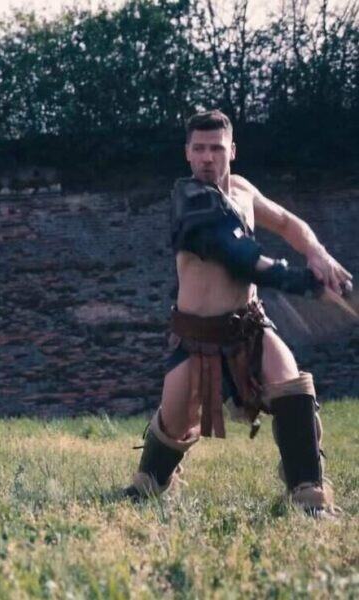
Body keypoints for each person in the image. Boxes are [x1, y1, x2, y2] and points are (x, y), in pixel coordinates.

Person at [126, 110, 353, 515]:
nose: (207, 158)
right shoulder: (189, 201)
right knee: (174, 427)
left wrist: (317, 253)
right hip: (197, 336)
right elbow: (240, 257)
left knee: (293, 389)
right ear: (187, 153)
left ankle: (309, 496)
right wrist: (304, 282)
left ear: (232, 150)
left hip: (248, 326)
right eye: (199, 149)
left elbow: (287, 223)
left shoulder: (245, 191)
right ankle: (148, 484)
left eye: (216, 148)